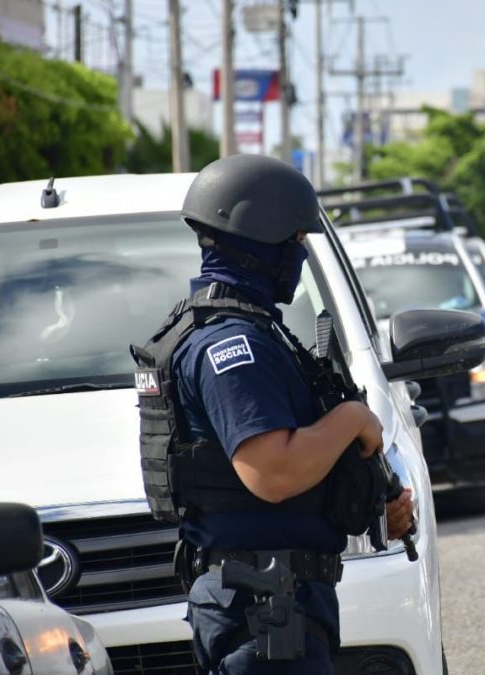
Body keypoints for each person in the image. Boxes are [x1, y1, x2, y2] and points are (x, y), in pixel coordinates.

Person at [134, 154, 414, 674]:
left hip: (277, 603)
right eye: (295, 244)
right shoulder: (232, 345)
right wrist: (353, 418)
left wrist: (382, 499)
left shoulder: (257, 332)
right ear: (263, 244)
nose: (300, 256)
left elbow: (305, 461)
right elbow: (273, 471)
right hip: (263, 612)